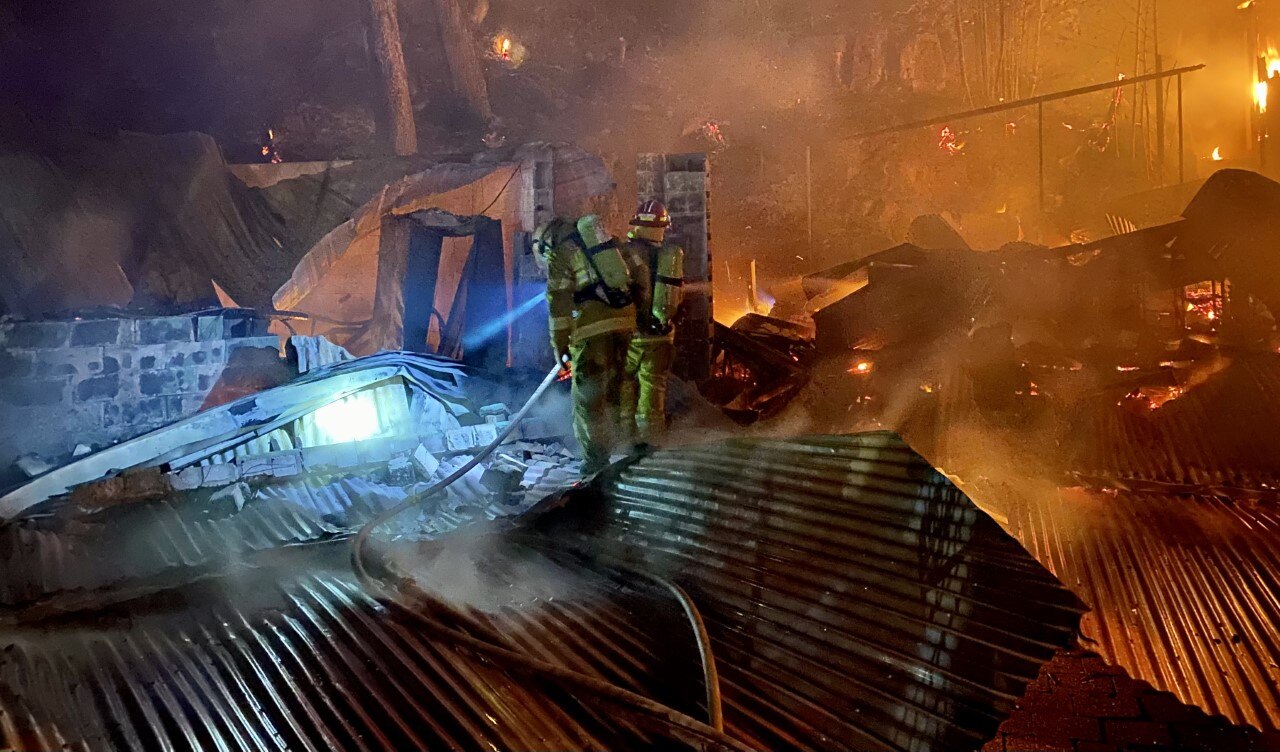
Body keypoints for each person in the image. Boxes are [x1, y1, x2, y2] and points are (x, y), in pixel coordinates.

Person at [533, 214, 636, 475]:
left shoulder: (561, 254)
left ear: (546, 243)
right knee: (615, 388)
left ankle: (595, 460)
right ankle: (623, 447)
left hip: (593, 331)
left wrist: (559, 346)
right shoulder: (601, 245)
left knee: (588, 398)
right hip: (625, 322)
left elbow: (558, 304)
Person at [619, 200, 684, 446]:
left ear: (636, 224)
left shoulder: (626, 254)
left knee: (624, 383)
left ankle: (624, 441)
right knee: (653, 390)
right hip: (662, 334)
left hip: (632, 335)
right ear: (663, 228)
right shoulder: (670, 257)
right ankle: (651, 443)